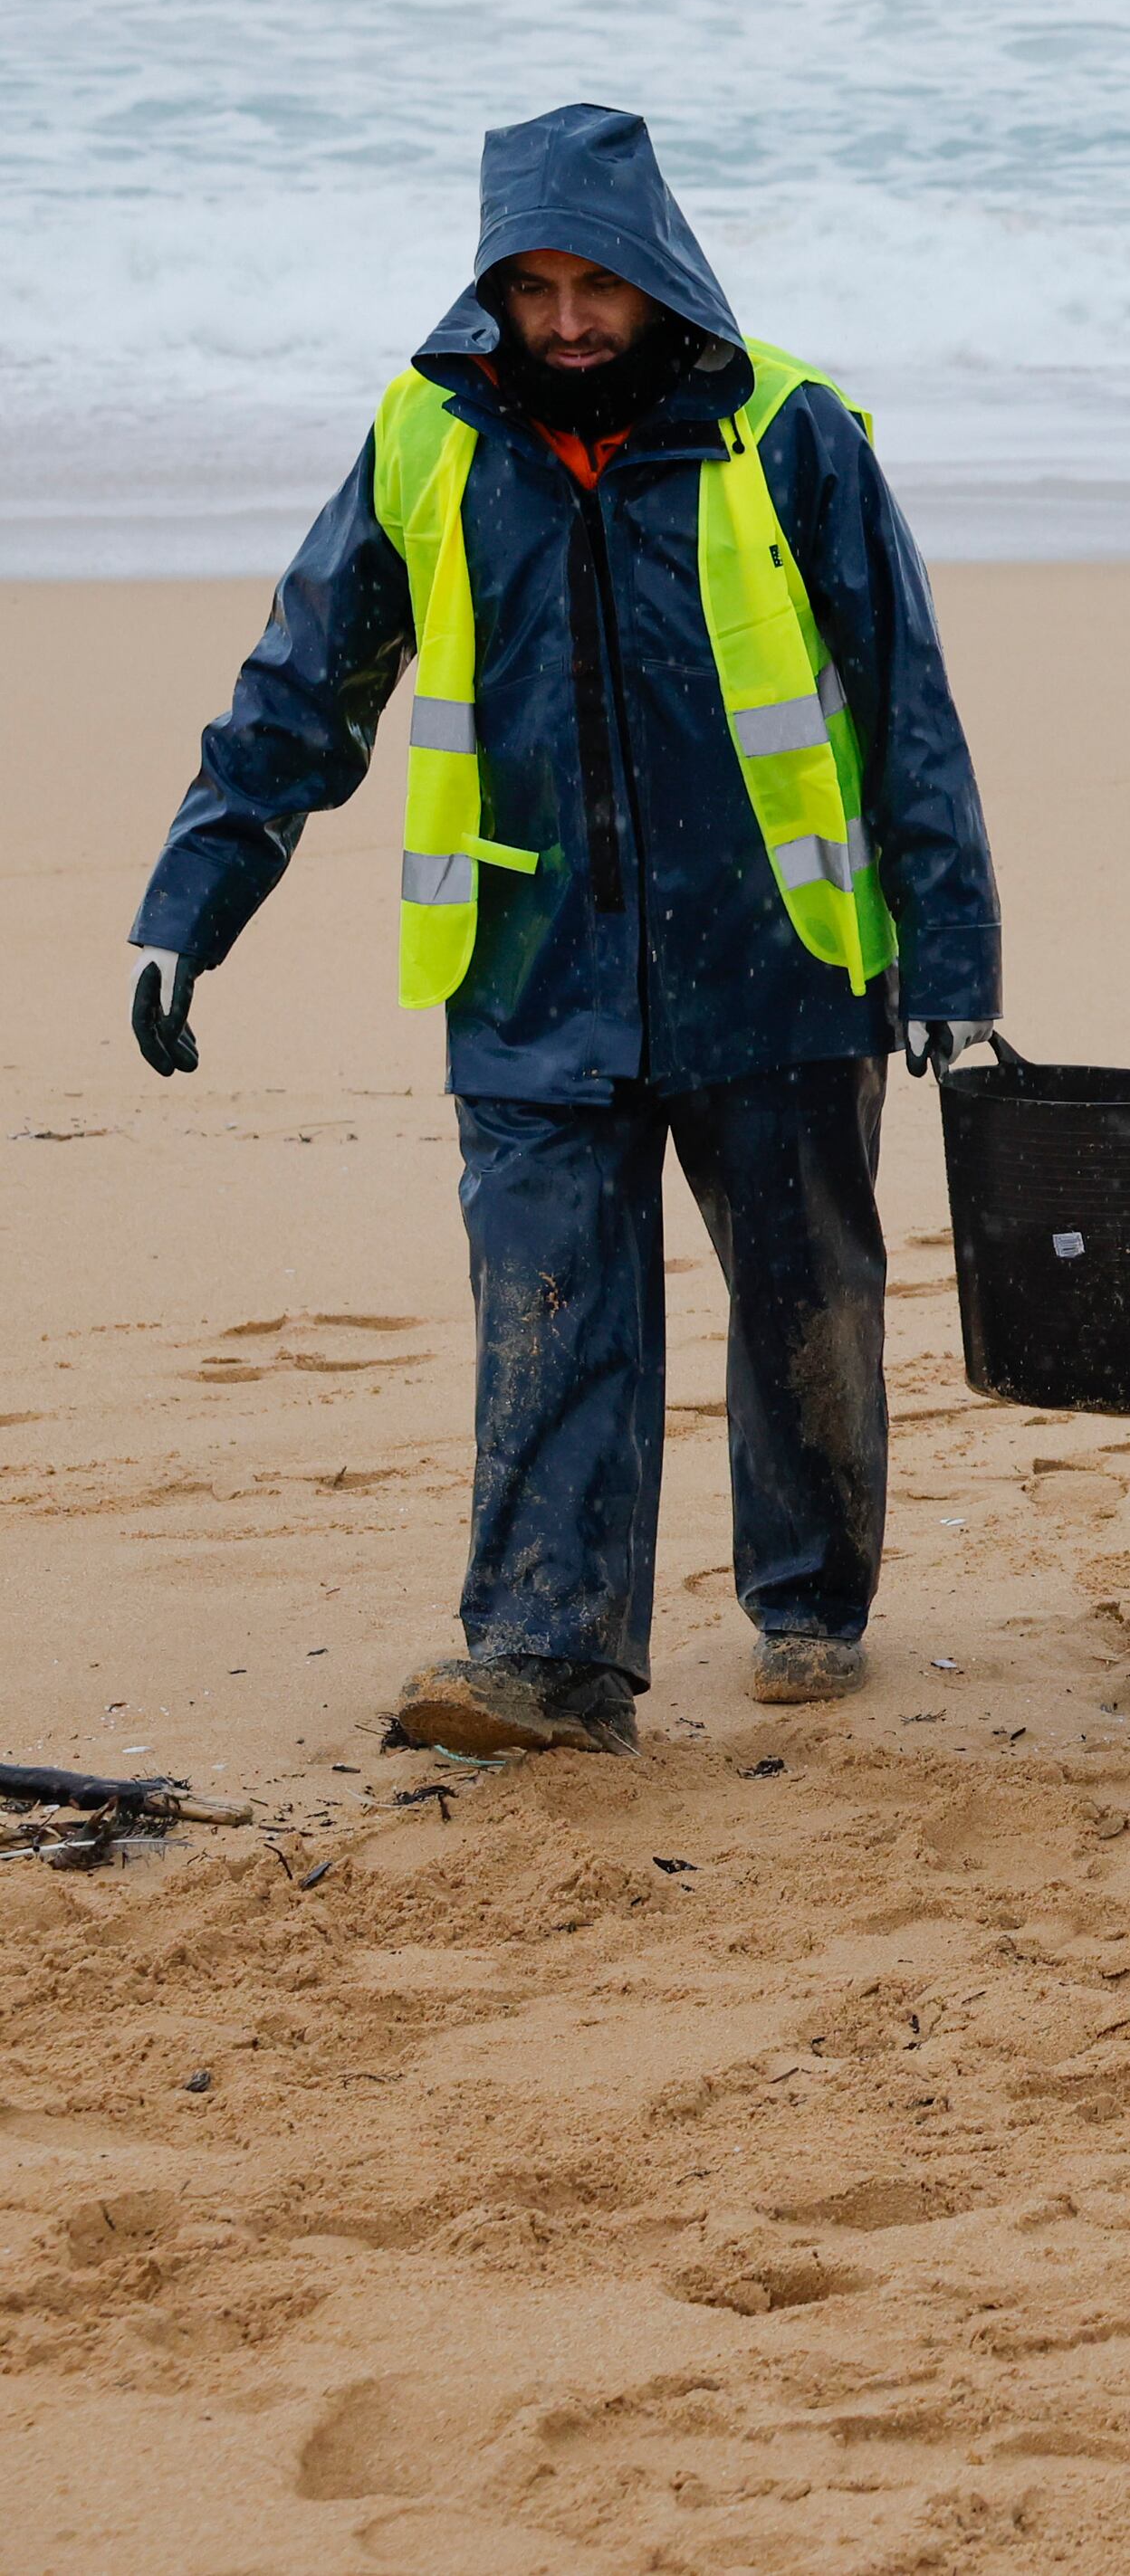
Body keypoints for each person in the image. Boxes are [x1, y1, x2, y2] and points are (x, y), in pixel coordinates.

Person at [130, 104, 1003, 1758]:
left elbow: (909, 715)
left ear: (660, 269)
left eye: (594, 281)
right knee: (548, 1302)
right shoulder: (424, 435)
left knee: (805, 1302)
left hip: (782, 958)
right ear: (491, 292)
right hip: (531, 971)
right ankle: (547, 1651)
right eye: (530, 289)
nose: (568, 320)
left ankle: (808, 1598)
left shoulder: (792, 434)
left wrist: (951, 973)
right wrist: (194, 902)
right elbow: (303, 692)